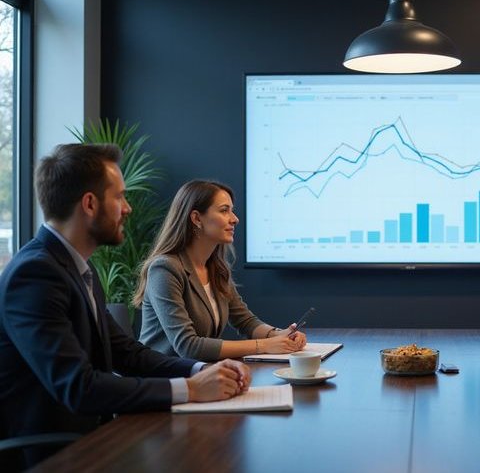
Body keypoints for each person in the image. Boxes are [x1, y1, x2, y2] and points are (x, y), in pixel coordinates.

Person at [0, 144, 251, 468]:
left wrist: (200, 369)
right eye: (119, 197)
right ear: (90, 204)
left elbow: (128, 353)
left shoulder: (77, 268)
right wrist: (190, 389)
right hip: (53, 455)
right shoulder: (35, 274)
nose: (127, 208)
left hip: (94, 438)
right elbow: (79, 387)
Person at [136, 180, 306, 361]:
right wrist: (264, 345)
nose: (235, 219)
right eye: (224, 210)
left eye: (231, 210)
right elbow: (188, 346)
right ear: (196, 218)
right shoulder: (165, 269)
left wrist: (279, 335)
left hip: (200, 371)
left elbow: (246, 321)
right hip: (161, 375)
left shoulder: (216, 269)